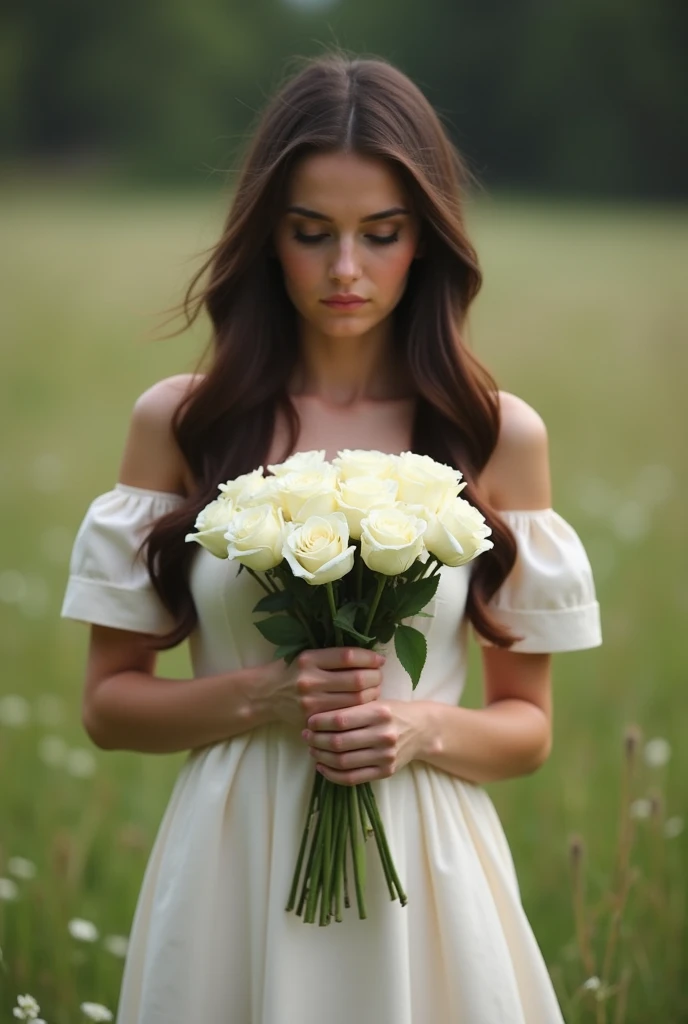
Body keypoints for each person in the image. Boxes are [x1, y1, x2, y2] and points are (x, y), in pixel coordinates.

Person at [61, 52, 602, 1024]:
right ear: (268, 239)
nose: (344, 269)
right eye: (311, 234)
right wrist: (264, 696)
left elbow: (527, 729)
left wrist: (418, 726)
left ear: (425, 241)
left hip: (424, 866)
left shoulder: (493, 435)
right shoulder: (183, 424)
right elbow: (109, 705)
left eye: (380, 234)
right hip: (234, 852)